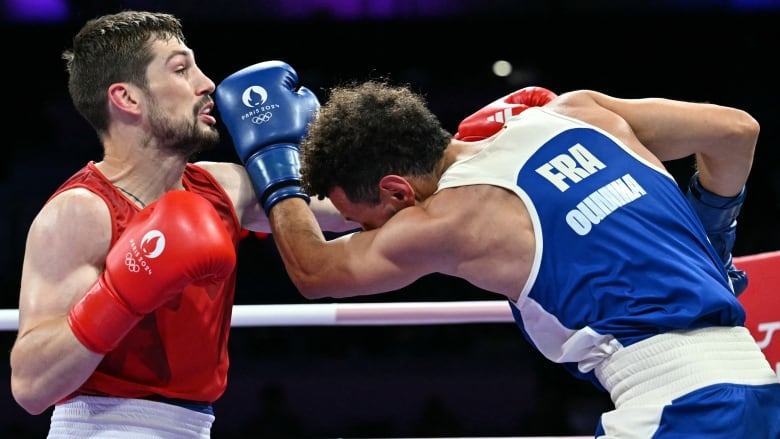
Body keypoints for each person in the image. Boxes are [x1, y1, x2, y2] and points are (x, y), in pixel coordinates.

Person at [214, 61, 780, 437]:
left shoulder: (453, 217)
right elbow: (734, 132)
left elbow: (316, 270)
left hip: (683, 409)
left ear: (396, 191)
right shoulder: (576, 111)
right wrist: (713, 234)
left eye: (365, 224)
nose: (368, 235)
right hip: (757, 384)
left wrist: (275, 170)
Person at [9, 11, 355, 438]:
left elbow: (354, 209)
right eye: (181, 68)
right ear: (127, 98)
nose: (207, 83)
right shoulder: (80, 211)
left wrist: (454, 162)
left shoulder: (224, 187)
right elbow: (29, 386)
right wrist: (122, 293)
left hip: (194, 426)